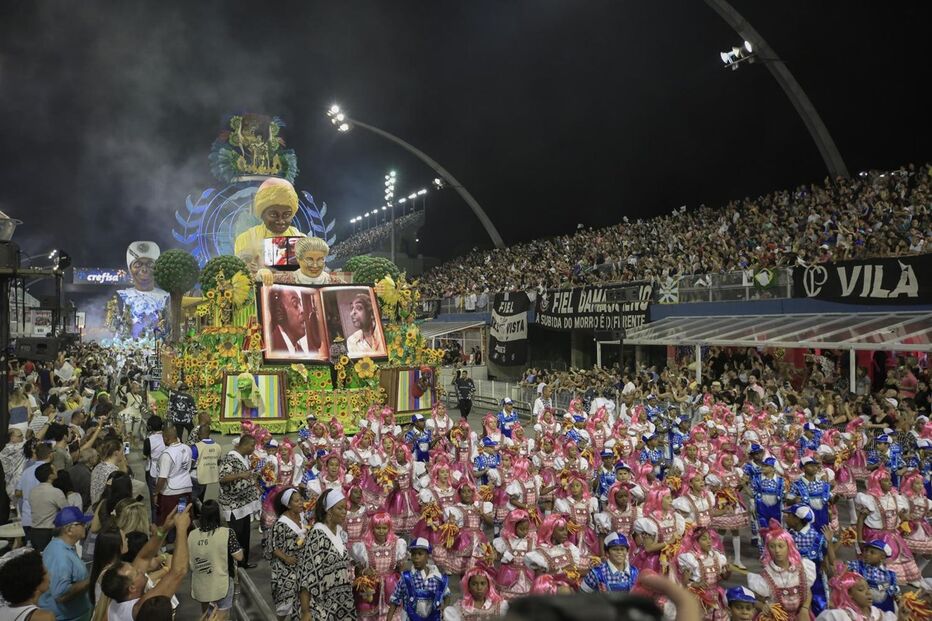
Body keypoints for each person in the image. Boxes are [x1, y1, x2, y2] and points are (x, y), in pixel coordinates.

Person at [100, 506, 191, 621]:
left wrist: (163, 530)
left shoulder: (115, 604)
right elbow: (178, 572)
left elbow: (143, 558)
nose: (140, 570)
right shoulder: (139, 608)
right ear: (132, 588)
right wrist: (181, 529)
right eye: (137, 573)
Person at [294, 488, 356, 620]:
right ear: (329, 511)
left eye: (345, 508)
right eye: (340, 508)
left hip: (342, 602)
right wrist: (305, 612)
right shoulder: (317, 535)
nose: (344, 512)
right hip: (322, 604)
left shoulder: (340, 532)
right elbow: (306, 576)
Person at [187, 500, 244, 620]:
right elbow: (239, 556)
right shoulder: (227, 533)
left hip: (201, 584)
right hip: (222, 583)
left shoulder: (192, 535)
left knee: (207, 616)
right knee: (222, 617)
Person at [38, 507, 94, 621]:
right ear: (69, 530)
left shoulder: (61, 546)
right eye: (82, 524)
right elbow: (61, 595)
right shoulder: (60, 556)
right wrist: (91, 580)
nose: (85, 526)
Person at [234, 177, 304, 259]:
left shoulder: (303, 242)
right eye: (273, 215)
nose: (281, 221)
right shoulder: (245, 240)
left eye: (286, 215)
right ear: (262, 214)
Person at [218, 434, 260, 569]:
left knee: (245, 535)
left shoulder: (245, 457)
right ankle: (233, 566)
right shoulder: (230, 458)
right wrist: (241, 475)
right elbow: (222, 478)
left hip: (244, 503)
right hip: (233, 504)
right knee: (236, 536)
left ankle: (243, 563)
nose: (253, 449)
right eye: (252, 446)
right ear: (245, 445)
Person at [387, 538, 450, 621]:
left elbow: (446, 595)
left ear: (428, 555)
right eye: (413, 554)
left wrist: (445, 607)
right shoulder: (406, 578)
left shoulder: (438, 578)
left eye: (420, 554)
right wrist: (389, 618)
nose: (416, 557)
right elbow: (395, 599)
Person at [269, 488, 307, 619]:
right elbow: (273, 546)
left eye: (301, 499)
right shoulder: (280, 524)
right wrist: (286, 558)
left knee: (302, 603)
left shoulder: (302, 516)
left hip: (301, 566)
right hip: (285, 569)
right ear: (288, 505)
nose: (301, 503)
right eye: (297, 501)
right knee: (285, 606)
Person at [0, 548, 55, 621]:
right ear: (36, 581)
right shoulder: (44, 617)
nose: (50, 575)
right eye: (46, 572)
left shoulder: (2, 611)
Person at [153, 424, 193, 525]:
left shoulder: (167, 454)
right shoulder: (187, 448)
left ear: (166, 438)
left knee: (169, 520)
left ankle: (171, 535)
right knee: (181, 516)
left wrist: (156, 493)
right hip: (185, 490)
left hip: (171, 494)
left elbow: (162, 478)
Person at [29, 464, 69, 552]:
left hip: (34, 530)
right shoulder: (55, 492)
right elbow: (67, 511)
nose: (57, 471)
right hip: (49, 532)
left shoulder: (32, 491)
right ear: (50, 476)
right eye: (54, 470)